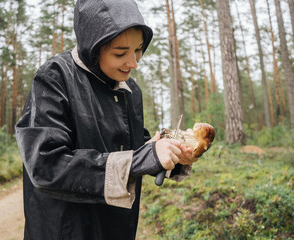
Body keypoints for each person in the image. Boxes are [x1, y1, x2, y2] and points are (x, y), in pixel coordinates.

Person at [15, 0, 197, 239]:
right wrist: (138, 160)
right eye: (121, 53)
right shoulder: (55, 77)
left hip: (117, 227)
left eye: (138, 49)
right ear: (94, 47)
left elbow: (135, 147)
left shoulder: (130, 90)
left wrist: (171, 154)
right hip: (66, 229)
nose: (133, 62)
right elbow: (47, 165)